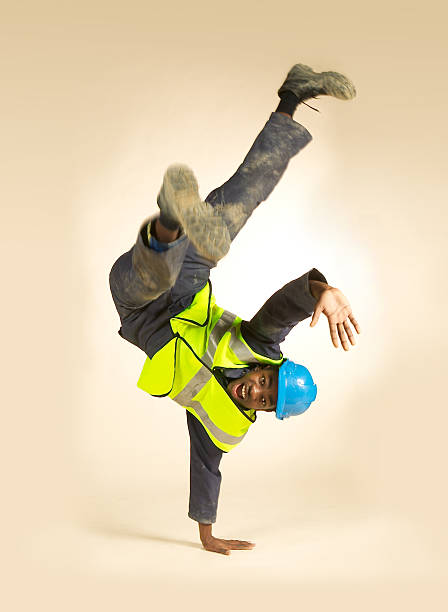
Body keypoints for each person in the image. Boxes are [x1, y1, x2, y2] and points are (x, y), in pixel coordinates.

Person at [109, 63, 361, 555]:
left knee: (152, 273)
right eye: (269, 380)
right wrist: (323, 290)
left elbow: (206, 468)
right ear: (271, 366)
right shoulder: (260, 346)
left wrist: (207, 535)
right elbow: (284, 308)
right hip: (187, 288)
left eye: (265, 399)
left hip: (138, 309)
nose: (257, 389)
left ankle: (168, 225)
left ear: (264, 412)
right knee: (237, 210)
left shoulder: (225, 424)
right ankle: (294, 93)